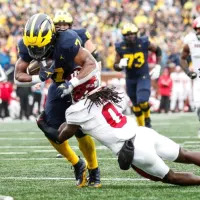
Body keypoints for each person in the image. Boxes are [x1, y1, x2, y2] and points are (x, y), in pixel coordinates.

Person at [46, 77, 200, 186]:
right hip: (143, 133)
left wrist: (44, 125)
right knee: (185, 154)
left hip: (134, 149)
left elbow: (61, 137)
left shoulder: (76, 111)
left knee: (170, 177)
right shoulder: (104, 93)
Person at [14, 13, 101, 188]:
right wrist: (40, 78)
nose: (37, 52)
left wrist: (73, 83)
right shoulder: (27, 44)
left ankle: (94, 170)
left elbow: (91, 64)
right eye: (33, 48)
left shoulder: (67, 41)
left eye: (41, 47)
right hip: (57, 84)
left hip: (76, 83)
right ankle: (77, 164)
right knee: (49, 127)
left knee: (79, 130)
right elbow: (18, 76)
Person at [52, 10, 101, 159]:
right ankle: (67, 149)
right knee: (63, 117)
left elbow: (94, 56)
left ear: (70, 24)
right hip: (62, 80)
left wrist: (96, 76)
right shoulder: (52, 38)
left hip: (79, 79)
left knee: (80, 120)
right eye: (58, 24)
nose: (61, 27)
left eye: (64, 24)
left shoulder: (79, 34)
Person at [113, 23, 162, 128]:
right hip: (130, 78)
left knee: (143, 100)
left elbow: (158, 50)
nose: (130, 36)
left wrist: (158, 66)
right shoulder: (121, 47)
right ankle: (141, 127)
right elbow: (115, 65)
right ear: (124, 36)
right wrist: (120, 65)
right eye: (128, 34)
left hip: (142, 76)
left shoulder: (143, 42)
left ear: (136, 34)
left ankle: (147, 120)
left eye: (132, 34)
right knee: (135, 104)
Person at [180, 16, 200, 135]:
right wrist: (188, 71)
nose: (199, 31)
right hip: (198, 79)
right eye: (197, 29)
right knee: (198, 106)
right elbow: (182, 58)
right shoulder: (190, 43)